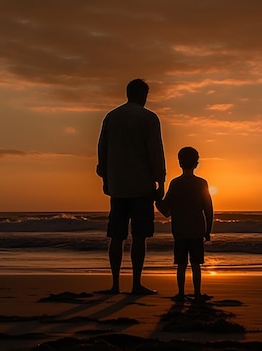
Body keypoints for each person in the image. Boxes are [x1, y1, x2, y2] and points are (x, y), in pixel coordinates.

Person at [96, 78, 166, 295]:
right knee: (139, 235)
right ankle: (136, 283)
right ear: (143, 95)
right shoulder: (149, 118)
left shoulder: (111, 117)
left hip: (118, 185)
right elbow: (155, 151)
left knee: (116, 235)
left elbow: (102, 150)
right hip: (142, 186)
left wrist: (106, 179)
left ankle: (115, 284)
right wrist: (160, 181)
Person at [156, 146, 213, 301]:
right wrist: (208, 231)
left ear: (180, 163)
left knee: (181, 264)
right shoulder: (202, 183)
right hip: (197, 230)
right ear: (197, 163)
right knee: (196, 264)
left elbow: (166, 210)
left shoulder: (175, 183)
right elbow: (208, 209)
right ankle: (197, 293)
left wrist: (156, 200)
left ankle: (181, 293)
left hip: (180, 231)